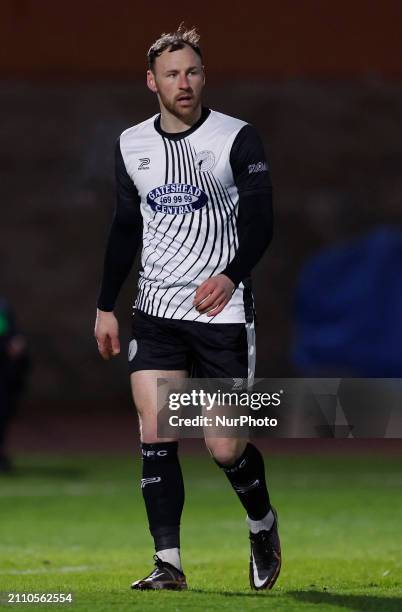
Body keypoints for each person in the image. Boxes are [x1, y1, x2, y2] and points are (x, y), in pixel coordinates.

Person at [94, 25, 280, 591]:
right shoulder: (132, 144)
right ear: (151, 81)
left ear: (204, 77)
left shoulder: (236, 138)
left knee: (225, 446)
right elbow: (126, 226)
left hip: (222, 315)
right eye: (172, 73)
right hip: (156, 312)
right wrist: (106, 305)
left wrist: (231, 274)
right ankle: (168, 563)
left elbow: (261, 224)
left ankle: (262, 523)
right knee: (156, 429)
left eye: (193, 71)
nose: (185, 82)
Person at [0, 297, 30, 473]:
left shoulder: (3, 308)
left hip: (4, 372)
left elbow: (12, 333)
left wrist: (17, 343)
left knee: (3, 413)